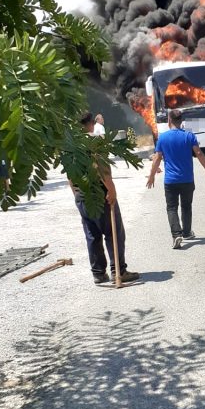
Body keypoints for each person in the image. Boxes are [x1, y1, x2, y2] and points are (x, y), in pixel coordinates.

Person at [71, 114, 139, 285]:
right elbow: (100, 168)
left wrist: (76, 195)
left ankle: (99, 274)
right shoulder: (94, 142)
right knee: (113, 232)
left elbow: (70, 176)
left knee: (92, 235)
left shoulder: (70, 146)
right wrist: (111, 190)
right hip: (98, 194)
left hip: (81, 195)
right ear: (90, 124)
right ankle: (119, 271)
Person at [146, 109, 205, 249]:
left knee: (171, 208)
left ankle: (176, 234)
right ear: (181, 121)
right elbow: (199, 154)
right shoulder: (189, 136)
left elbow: (157, 159)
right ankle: (187, 232)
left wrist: (152, 176)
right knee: (186, 206)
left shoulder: (162, 138)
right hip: (187, 179)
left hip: (170, 181)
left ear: (169, 120)